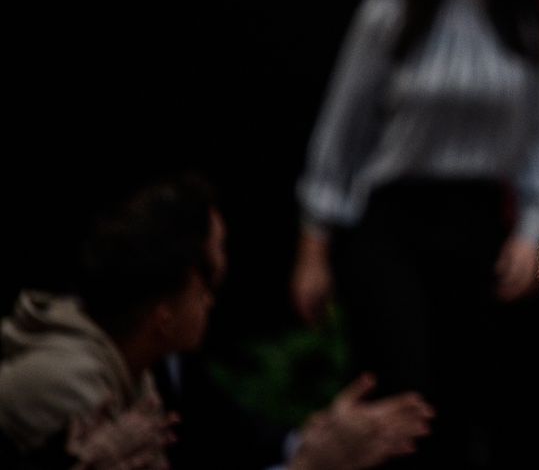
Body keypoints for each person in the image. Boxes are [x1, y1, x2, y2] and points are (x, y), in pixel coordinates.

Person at [290, 0, 539, 469]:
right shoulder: (389, 15)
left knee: (466, 404)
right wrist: (313, 248)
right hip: (393, 226)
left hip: (477, 226)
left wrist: (531, 232)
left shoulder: (518, 27)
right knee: (403, 392)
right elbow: (342, 133)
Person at [0, 177, 431, 470]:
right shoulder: (72, 384)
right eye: (205, 279)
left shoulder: (143, 365)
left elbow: (225, 437)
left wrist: (311, 448)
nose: (213, 294)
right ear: (163, 315)